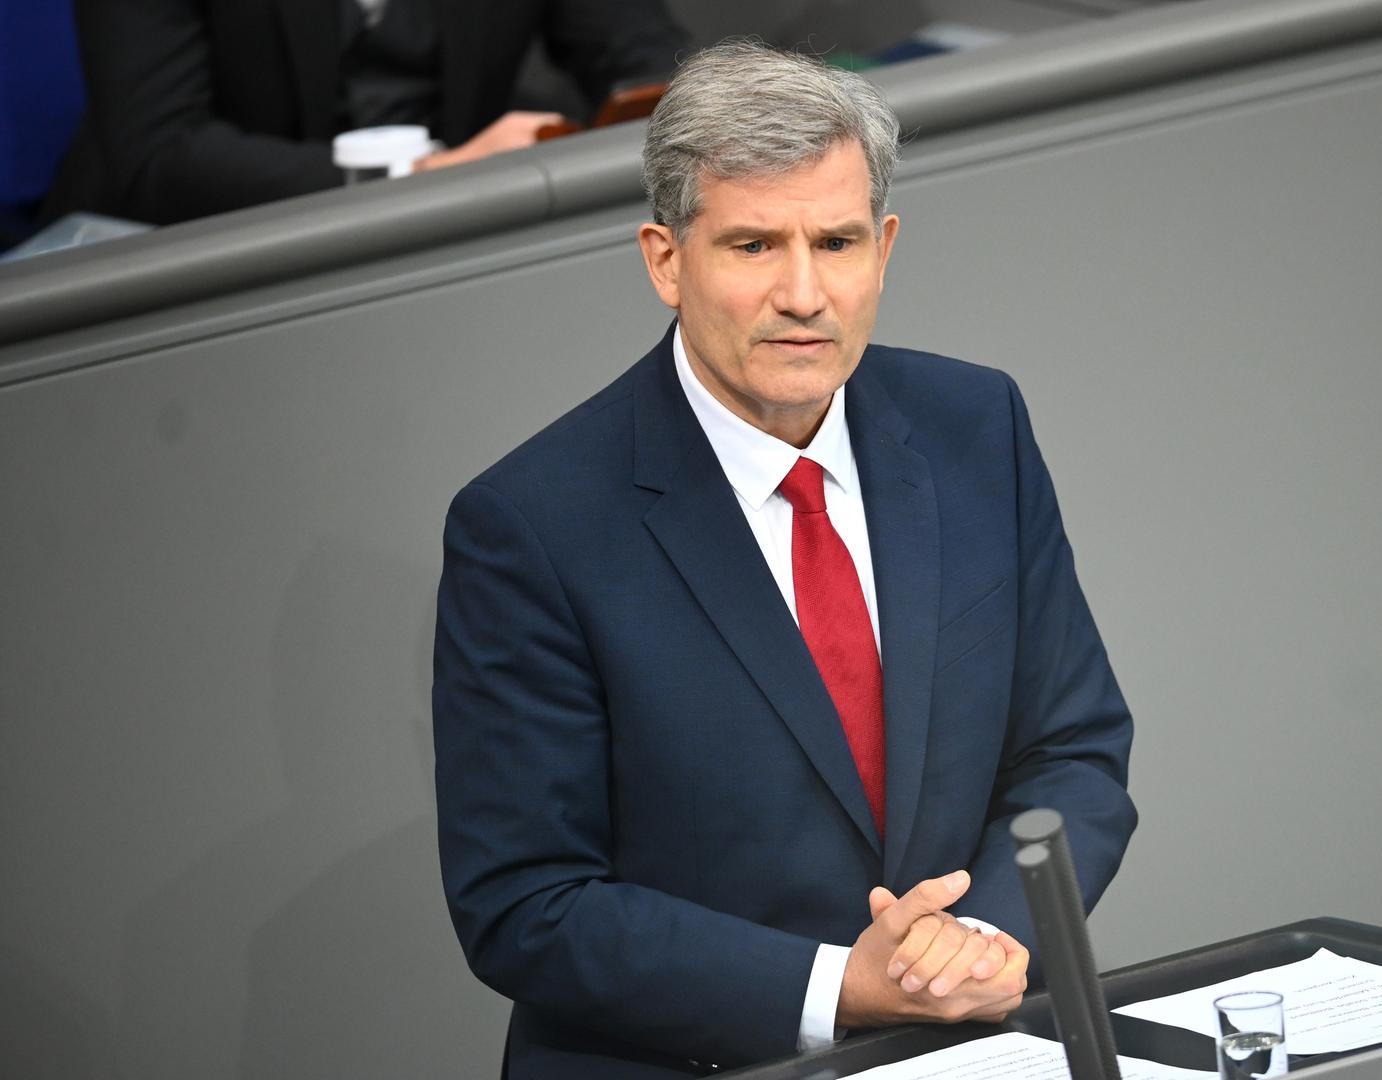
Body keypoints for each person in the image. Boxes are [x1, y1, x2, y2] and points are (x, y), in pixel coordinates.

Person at [432, 40, 1137, 1078]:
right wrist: (841, 987)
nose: (805, 293)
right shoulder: (531, 524)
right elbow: (526, 903)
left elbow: (1071, 750)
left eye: (836, 242)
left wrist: (980, 939)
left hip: (962, 1052)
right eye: (754, 245)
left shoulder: (975, 424)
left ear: (883, 250)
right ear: (666, 260)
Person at [43, 0, 687, 225]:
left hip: (448, 243)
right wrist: (424, 174)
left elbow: (641, 56)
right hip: (181, 267)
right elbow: (158, 156)